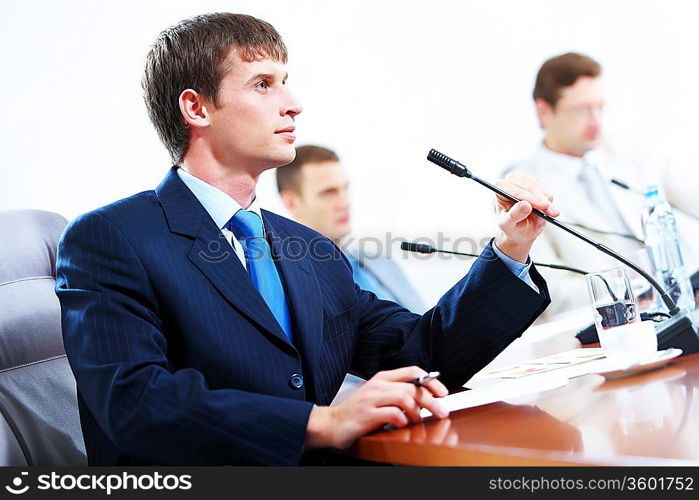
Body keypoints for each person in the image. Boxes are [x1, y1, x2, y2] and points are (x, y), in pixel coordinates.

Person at [55, 12, 556, 466]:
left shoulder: (307, 247)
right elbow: (135, 402)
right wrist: (323, 422)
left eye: (286, 83)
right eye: (263, 85)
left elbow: (422, 351)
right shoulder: (111, 237)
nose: (293, 105)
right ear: (196, 108)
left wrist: (511, 246)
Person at [505, 52, 699, 316]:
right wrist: (631, 285)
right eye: (581, 110)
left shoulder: (631, 148)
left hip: (688, 299)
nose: (595, 120)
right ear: (544, 111)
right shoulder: (524, 186)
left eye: (599, 107)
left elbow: (692, 196)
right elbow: (548, 291)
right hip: (617, 322)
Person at [276, 145, 426, 312]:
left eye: (344, 188)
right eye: (328, 192)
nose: (344, 202)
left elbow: (427, 327)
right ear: (291, 202)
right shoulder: (288, 282)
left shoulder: (379, 262)